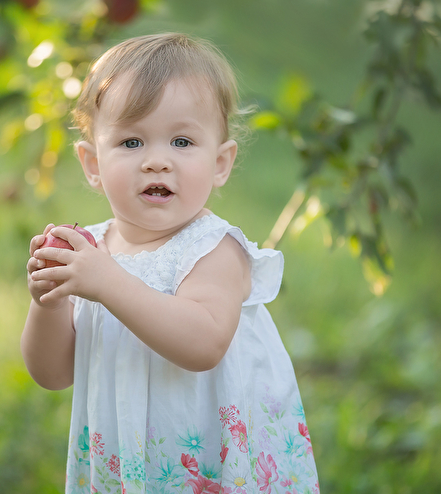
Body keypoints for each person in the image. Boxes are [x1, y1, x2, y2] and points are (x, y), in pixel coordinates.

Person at [21, 33, 318, 494]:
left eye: (181, 141)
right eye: (131, 142)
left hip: (204, 463)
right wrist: (48, 304)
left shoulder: (214, 250)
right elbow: (52, 374)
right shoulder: (93, 253)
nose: (156, 161)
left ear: (220, 163)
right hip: (126, 465)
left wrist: (108, 283)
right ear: (93, 164)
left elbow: (203, 345)